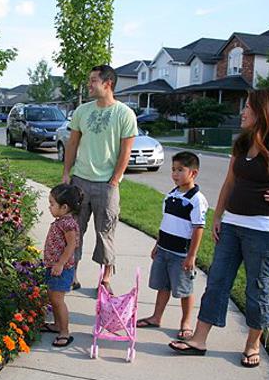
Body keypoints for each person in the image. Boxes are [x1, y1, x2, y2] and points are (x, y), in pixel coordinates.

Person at [169, 89, 269, 368]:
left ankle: (252, 344)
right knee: (217, 281)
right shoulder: (242, 143)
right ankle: (199, 339)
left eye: (248, 107)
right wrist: (218, 215)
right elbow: (230, 182)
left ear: (263, 111)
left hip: (266, 230)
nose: (243, 111)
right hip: (232, 224)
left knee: (257, 287)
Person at [62, 65, 137, 293]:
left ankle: (105, 279)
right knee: (74, 230)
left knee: (105, 232)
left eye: (93, 80)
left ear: (108, 83)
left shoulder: (124, 114)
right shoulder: (82, 111)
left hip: (107, 185)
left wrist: (114, 180)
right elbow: (72, 143)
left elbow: (126, 151)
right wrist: (66, 172)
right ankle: (72, 274)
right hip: (80, 181)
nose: (89, 84)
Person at [137, 151, 208, 341]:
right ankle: (156, 317)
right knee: (163, 286)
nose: (175, 174)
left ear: (193, 173)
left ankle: (186, 322)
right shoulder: (171, 195)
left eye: (180, 170)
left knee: (185, 289)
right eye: (173, 170)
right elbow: (165, 222)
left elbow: (198, 228)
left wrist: (191, 256)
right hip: (164, 250)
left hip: (181, 254)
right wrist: (157, 244)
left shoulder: (196, 199)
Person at [41, 183, 83, 348]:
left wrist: (60, 264)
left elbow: (71, 246)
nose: (49, 207)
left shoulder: (68, 224)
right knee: (53, 297)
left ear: (64, 207)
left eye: (52, 204)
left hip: (61, 269)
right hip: (54, 267)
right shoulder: (61, 221)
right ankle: (57, 325)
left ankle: (64, 332)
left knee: (58, 300)